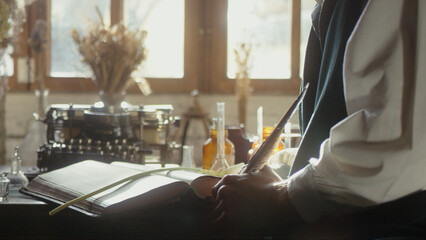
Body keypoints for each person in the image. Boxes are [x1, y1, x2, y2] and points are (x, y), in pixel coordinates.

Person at [210, 0, 426, 238]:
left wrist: (282, 197)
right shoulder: (331, 10)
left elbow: (397, 142)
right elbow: (340, 123)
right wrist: (285, 168)